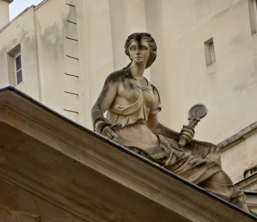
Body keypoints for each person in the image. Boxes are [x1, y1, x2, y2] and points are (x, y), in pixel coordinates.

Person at [92, 32, 248, 210]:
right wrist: (102, 126)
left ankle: (224, 213)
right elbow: (97, 109)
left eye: (142, 48)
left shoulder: (152, 90)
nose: (137, 53)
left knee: (211, 153)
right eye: (133, 49)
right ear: (128, 52)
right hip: (130, 143)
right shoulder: (117, 79)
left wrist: (181, 136)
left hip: (157, 146)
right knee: (211, 169)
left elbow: (153, 126)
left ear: (151, 52)